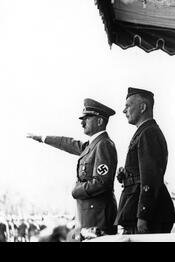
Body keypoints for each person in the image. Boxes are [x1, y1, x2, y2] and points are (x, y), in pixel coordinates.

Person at [27, 98, 118, 238]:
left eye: (87, 118)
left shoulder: (103, 144)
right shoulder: (92, 145)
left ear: (99, 121)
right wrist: (43, 138)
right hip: (89, 219)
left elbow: (102, 182)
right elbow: (68, 143)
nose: (82, 123)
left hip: (98, 219)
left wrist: (76, 190)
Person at [115, 87, 175, 234]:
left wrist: (143, 214)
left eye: (128, 106)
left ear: (142, 107)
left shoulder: (148, 133)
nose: (124, 111)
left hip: (146, 214)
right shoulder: (145, 132)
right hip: (137, 208)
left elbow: (150, 179)